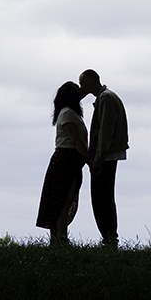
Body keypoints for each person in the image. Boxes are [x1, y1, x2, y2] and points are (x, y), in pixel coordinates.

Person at [35, 81, 96, 244]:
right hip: (67, 160)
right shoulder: (68, 113)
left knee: (61, 202)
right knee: (63, 203)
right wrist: (90, 161)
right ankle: (61, 239)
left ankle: (58, 239)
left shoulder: (69, 113)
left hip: (68, 160)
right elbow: (76, 141)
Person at [79, 69, 128, 246]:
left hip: (105, 156)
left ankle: (109, 238)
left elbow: (105, 132)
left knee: (102, 198)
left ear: (91, 81)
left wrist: (97, 159)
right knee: (104, 197)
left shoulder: (105, 98)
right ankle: (109, 237)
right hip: (108, 154)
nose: (81, 87)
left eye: (82, 83)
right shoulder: (106, 97)